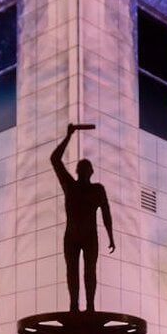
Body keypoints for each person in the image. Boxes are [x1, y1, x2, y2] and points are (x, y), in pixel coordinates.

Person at [50, 123, 115, 312]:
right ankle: (75, 306)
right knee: (74, 272)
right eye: (83, 168)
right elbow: (55, 159)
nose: (85, 171)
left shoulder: (95, 190)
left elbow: (106, 213)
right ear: (81, 172)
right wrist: (68, 135)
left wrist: (111, 236)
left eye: (86, 169)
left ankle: (88, 307)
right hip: (73, 236)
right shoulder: (71, 186)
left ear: (89, 172)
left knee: (87, 272)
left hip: (86, 236)